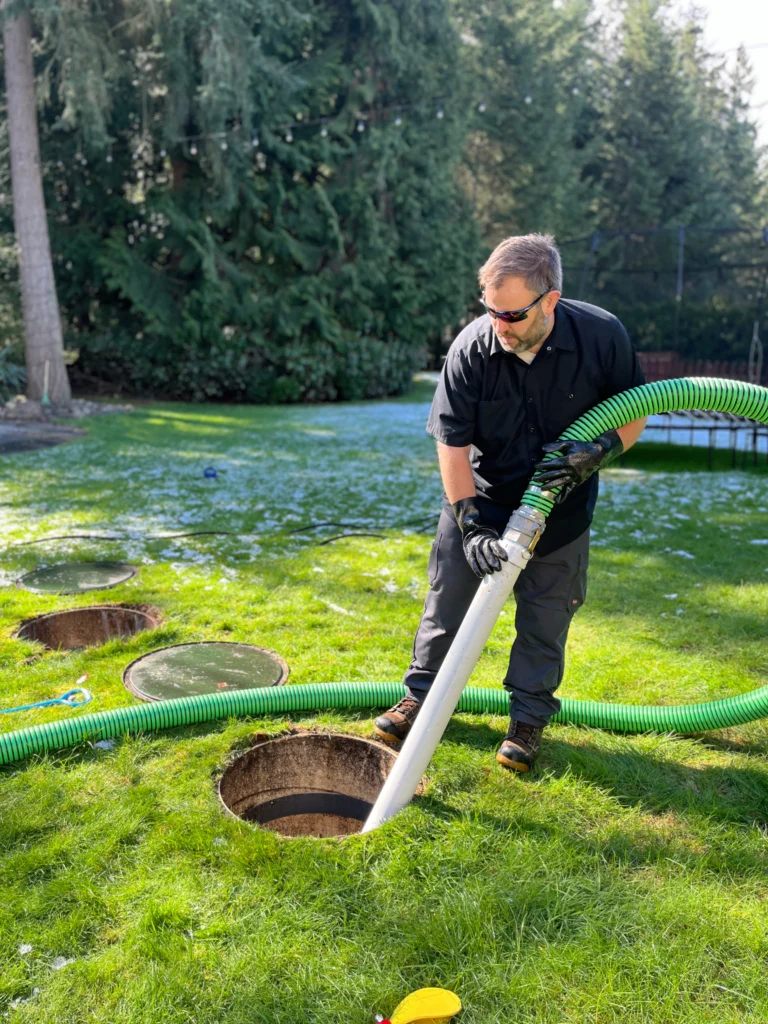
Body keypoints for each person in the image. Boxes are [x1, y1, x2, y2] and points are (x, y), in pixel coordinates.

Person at [374, 233, 647, 772]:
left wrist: (599, 449)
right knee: (445, 604)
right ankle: (421, 697)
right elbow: (450, 445)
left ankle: (527, 720)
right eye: (491, 311)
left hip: (560, 511)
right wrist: (470, 524)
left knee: (545, 620)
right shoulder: (472, 348)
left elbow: (637, 410)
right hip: (484, 499)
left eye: (513, 314)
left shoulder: (601, 336)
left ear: (551, 300)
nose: (500, 326)